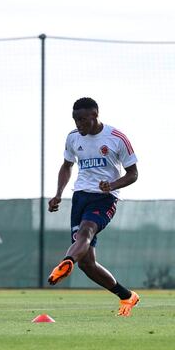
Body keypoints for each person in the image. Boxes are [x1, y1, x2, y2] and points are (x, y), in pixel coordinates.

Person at [47, 97, 139, 317]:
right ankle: (127, 295)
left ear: (95, 115)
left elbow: (133, 174)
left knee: (85, 231)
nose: (79, 125)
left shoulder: (117, 138)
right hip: (80, 197)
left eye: (82, 120)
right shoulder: (72, 138)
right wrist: (58, 194)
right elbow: (67, 165)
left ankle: (66, 262)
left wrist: (112, 185)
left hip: (105, 199)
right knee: (87, 264)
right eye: (75, 120)